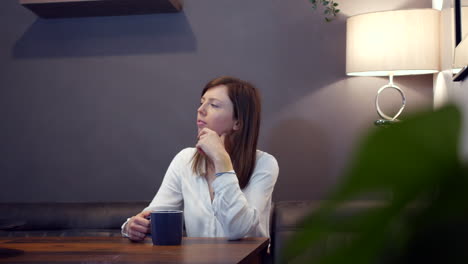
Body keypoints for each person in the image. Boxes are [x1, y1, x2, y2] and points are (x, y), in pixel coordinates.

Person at [121, 76, 279, 241]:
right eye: (202, 102)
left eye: (214, 105)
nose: (201, 110)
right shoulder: (185, 160)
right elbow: (154, 215)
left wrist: (221, 159)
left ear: (238, 123)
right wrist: (131, 226)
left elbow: (237, 229)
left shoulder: (264, 164)